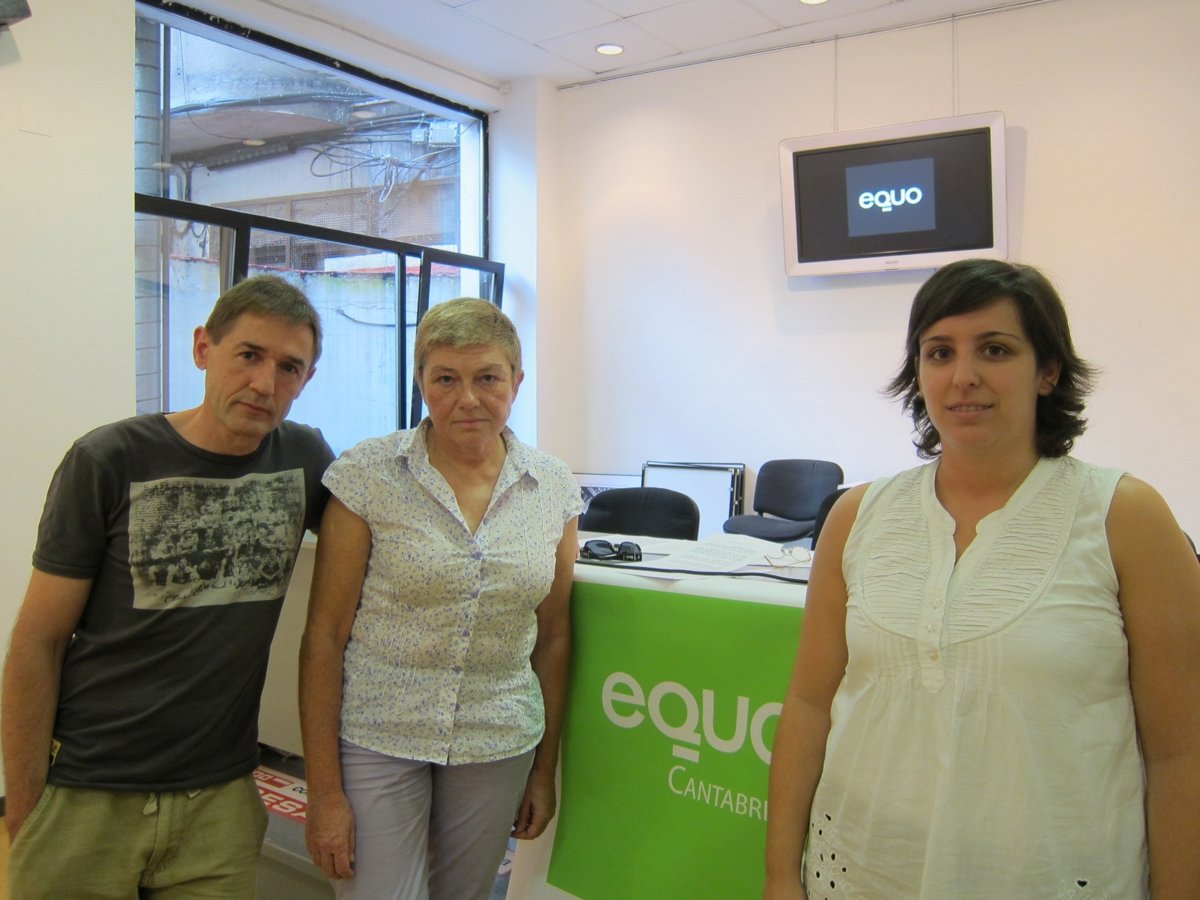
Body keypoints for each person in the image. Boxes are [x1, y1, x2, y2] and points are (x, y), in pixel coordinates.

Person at [763, 258, 1200, 899]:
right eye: (940, 352)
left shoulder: (1124, 517)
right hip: (864, 869)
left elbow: (1179, 751)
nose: (963, 376)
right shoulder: (857, 515)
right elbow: (808, 705)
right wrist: (780, 876)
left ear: (1048, 371)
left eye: (995, 349)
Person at [2, 274, 335, 898]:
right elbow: (37, 643)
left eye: (289, 367)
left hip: (221, 802)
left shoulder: (304, 459)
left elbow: (377, 538)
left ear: (306, 379)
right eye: (249, 355)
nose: (265, 384)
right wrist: (24, 807)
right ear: (203, 347)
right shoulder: (109, 459)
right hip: (88, 788)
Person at [299, 297, 581, 900]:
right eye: (446, 379)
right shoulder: (368, 474)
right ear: (421, 381)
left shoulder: (552, 486)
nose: (468, 399)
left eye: (488, 378)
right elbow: (324, 636)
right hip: (379, 730)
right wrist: (322, 792)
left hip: (497, 734)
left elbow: (554, 636)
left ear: (517, 381)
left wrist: (544, 768)